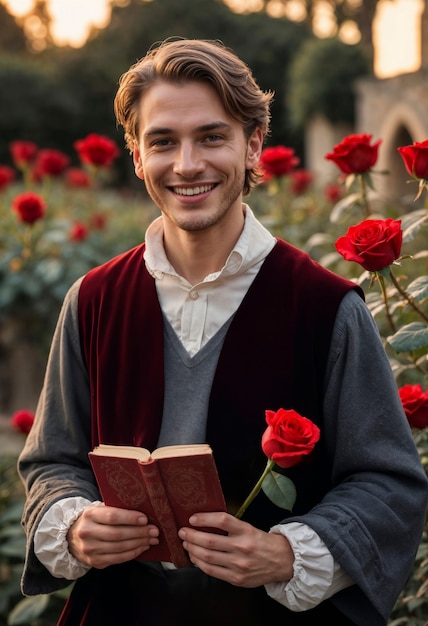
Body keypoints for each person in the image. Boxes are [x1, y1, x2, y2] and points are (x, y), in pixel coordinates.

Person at [18, 38, 427, 626]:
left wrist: (287, 551)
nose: (187, 164)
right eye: (162, 141)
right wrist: (75, 522)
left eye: (212, 136)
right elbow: (52, 462)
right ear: (136, 155)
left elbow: (386, 482)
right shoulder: (93, 300)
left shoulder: (325, 307)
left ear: (253, 143)